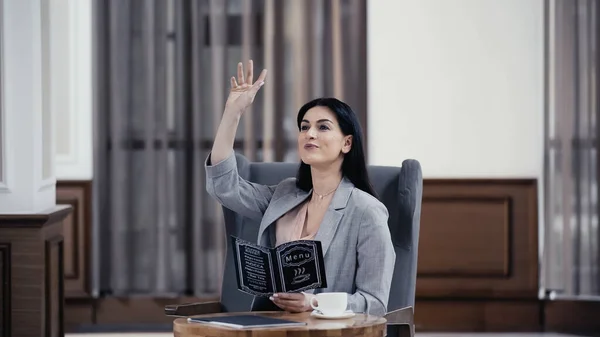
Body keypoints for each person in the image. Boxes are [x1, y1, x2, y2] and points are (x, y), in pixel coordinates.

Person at [205, 60, 395, 316]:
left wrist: (314, 303)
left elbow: (375, 302)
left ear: (347, 143)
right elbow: (223, 187)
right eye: (304, 127)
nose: (310, 134)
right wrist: (232, 114)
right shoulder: (285, 195)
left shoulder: (366, 210)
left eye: (322, 127)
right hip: (275, 325)